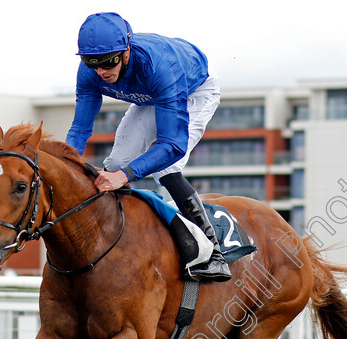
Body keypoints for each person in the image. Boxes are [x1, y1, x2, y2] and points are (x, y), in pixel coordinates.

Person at [65, 12, 230, 282]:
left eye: (108, 63)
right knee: (115, 163)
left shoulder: (162, 67)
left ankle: (213, 253)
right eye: (92, 63)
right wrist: (64, 161)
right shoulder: (91, 72)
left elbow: (172, 145)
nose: (101, 72)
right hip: (152, 97)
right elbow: (80, 129)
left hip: (192, 91)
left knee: (165, 169)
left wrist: (126, 176)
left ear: (126, 52)